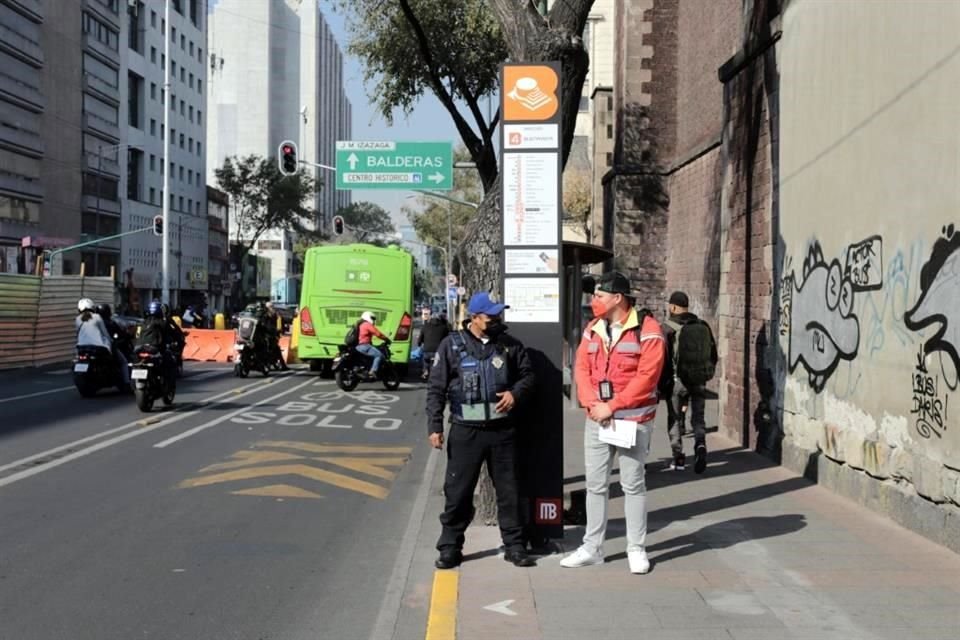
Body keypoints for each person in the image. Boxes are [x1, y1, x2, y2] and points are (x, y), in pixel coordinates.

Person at [562, 272, 666, 574]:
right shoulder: (593, 329)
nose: (594, 301)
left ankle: (636, 548)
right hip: (598, 418)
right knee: (595, 486)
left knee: (632, 485)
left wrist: (612, 405)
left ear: (617, 298)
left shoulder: (648, 330)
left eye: (599, 296)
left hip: (632, 420)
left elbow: (647, 378)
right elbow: (581, 367)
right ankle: (592, 547)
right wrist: (593, 403)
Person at [426, 292, 537, 569]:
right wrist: (435, 426)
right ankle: (450, 547)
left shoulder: (509, 346)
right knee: (458, 492)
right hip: (466, 431)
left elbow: (528, 376)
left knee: (509, 491)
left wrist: (515, 393)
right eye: (490, 317)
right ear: (474, 318)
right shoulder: (451, 346)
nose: (496, 320)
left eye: (498, 315)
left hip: (502, 431)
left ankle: (514, 546)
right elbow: (436, 388)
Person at [663, 291, 718, 474]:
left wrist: (664, 383)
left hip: (678, 381)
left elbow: (663, 358)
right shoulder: (703, 325)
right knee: (698, 417)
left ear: (673, 307)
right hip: (699, 379)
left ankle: (678, 457)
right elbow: (713, 355)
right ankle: (700, 444)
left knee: (675, 418)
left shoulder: (668, 328)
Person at [96, 303, 131, 386]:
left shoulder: (95, 322)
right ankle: (127, 383)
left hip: (96, 347)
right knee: (124, 362)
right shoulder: (110, 323)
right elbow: (120, 333)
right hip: (108, 347)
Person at [417, 307, 450, 380]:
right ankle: (438, 373)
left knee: (425, 360)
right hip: (438, 351)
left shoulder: (425, 326)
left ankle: (425, 371)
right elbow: (447, 339)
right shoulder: (443, 327)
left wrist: (419, 344)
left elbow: (420, 339)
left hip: (427, 350)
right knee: (439, 363)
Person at [356, 311, 390, 379]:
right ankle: (372, 371)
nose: (374, 321)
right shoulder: (367, 324)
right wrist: (386, 339)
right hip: (365, 346)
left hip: (358, 347)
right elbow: (378, 334)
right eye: (372, 318)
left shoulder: (360, 324)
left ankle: (366, 370)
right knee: (379, 355)